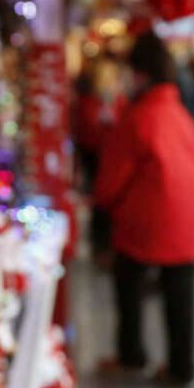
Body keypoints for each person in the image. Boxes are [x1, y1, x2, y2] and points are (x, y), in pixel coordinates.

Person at [93, 31, 194, 388]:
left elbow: (112, 180)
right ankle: (181, 368)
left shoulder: (139, 117)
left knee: (127, 281)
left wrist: (103, 211)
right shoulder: (178, 113)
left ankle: (131, 356)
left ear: (139, 73)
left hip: (150, 222)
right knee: (181, 297)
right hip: (188, 222)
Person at [73, 56, 127, 261]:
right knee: (100, 200)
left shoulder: (118, 100)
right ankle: (101, 245)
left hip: (113, 156)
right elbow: (86, 130)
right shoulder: (88, 100)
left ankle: (109, 243)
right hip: (95, 156)